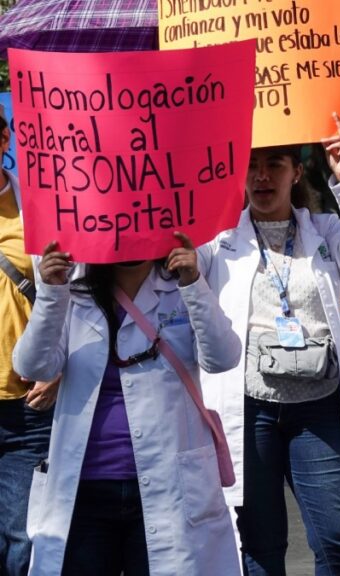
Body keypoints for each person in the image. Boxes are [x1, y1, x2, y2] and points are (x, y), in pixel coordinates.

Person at [197, 113, 340, 576]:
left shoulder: (323, 231)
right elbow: (175, 260)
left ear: (296, 172)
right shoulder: (219, 240)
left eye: (276, 164)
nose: (262, 176)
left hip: (316, 408)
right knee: (261, 545)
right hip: (251, 409)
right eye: (253, 165)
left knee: (338, 537)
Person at [13, 235, 242, 576]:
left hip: (169, 489)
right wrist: (50, 293)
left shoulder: (181, 284)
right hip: (85, 491)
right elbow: (32, 367)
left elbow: (223, 358)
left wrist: (193, 284)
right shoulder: (74, 291)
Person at [0, 113, 58, 576]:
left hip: (26, 406)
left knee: (24, 538)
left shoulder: (38, 205)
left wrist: (58, 367)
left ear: (4, 138)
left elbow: (71, 296)